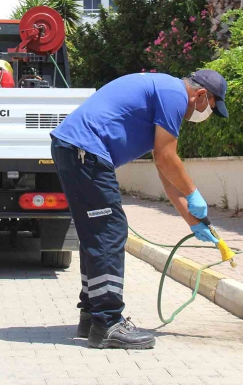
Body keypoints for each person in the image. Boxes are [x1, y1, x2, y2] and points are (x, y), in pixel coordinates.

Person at [50, 69, 229, 349]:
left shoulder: (164, 94)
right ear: (202, 95)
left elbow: (164, 171)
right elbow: (167, 157)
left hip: (75, 150)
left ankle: (93, 315)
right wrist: (194, 193)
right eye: (212, 108)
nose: (206, 115)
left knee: (97, 233)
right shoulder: (174, 96)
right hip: (85, 151)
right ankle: (107, 323)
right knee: (109, 232)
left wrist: (192, 221)